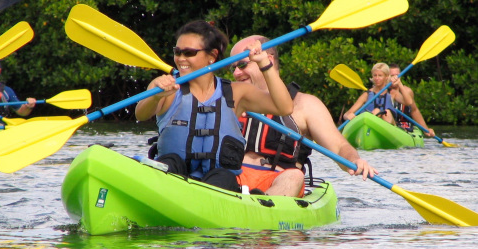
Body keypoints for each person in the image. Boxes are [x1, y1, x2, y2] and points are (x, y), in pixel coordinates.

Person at [135, 21, 293, 192]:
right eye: (177, 52)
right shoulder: (166, 87)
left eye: (189, 53)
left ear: (212, 56)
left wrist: (264, 64)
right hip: (174, 177)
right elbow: (141, 115)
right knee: (169, 163)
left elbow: (284, 108)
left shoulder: (236, 92)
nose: (181, 59)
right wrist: (155, 97)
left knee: (224, 177)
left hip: (219, 184)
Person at [231, 35, 378, 197]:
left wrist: (355, 160)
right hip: (233, 179)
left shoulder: (305, 105)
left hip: (279, 183)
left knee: (294, 176)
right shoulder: (230, 102)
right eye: (232, 68)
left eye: (242, 64)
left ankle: (259, 209)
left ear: (268, 60)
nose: (237, 73)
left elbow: (339, 146)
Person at [343, 62, 412, 125]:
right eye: (375, 75)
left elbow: (408, 102)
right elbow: (346, 114)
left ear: (386, 77)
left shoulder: (392, 93)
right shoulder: (367, 95)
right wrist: (348, 116)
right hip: (370, 124)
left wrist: (400, 84)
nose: (377, 78)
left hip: (389, 125)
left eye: (380, 75)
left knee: (385, 112)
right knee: (376, 111)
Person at [389, 63, 435, 137]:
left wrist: (426, 129)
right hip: (388, 124)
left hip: (404, 126)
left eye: (397, 75)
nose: (395, 78)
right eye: (391, 76)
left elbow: (414, 111)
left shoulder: (407, 91)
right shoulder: (381, 92)